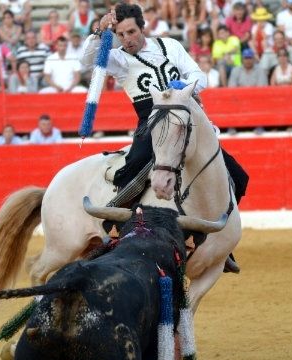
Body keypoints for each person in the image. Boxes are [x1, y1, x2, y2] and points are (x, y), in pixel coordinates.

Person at [80, 2, 248, 210]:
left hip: (186, 121)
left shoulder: (170, 45)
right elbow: (86, 61)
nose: (127, 39)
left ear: (143, 28)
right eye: (120, 34)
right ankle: (117, 216)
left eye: (131, 32)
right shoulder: (119, 59)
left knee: (239, 177)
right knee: (135, 164)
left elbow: (199, 76)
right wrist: (99, 31)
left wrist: (181, 87)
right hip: (151, 125)